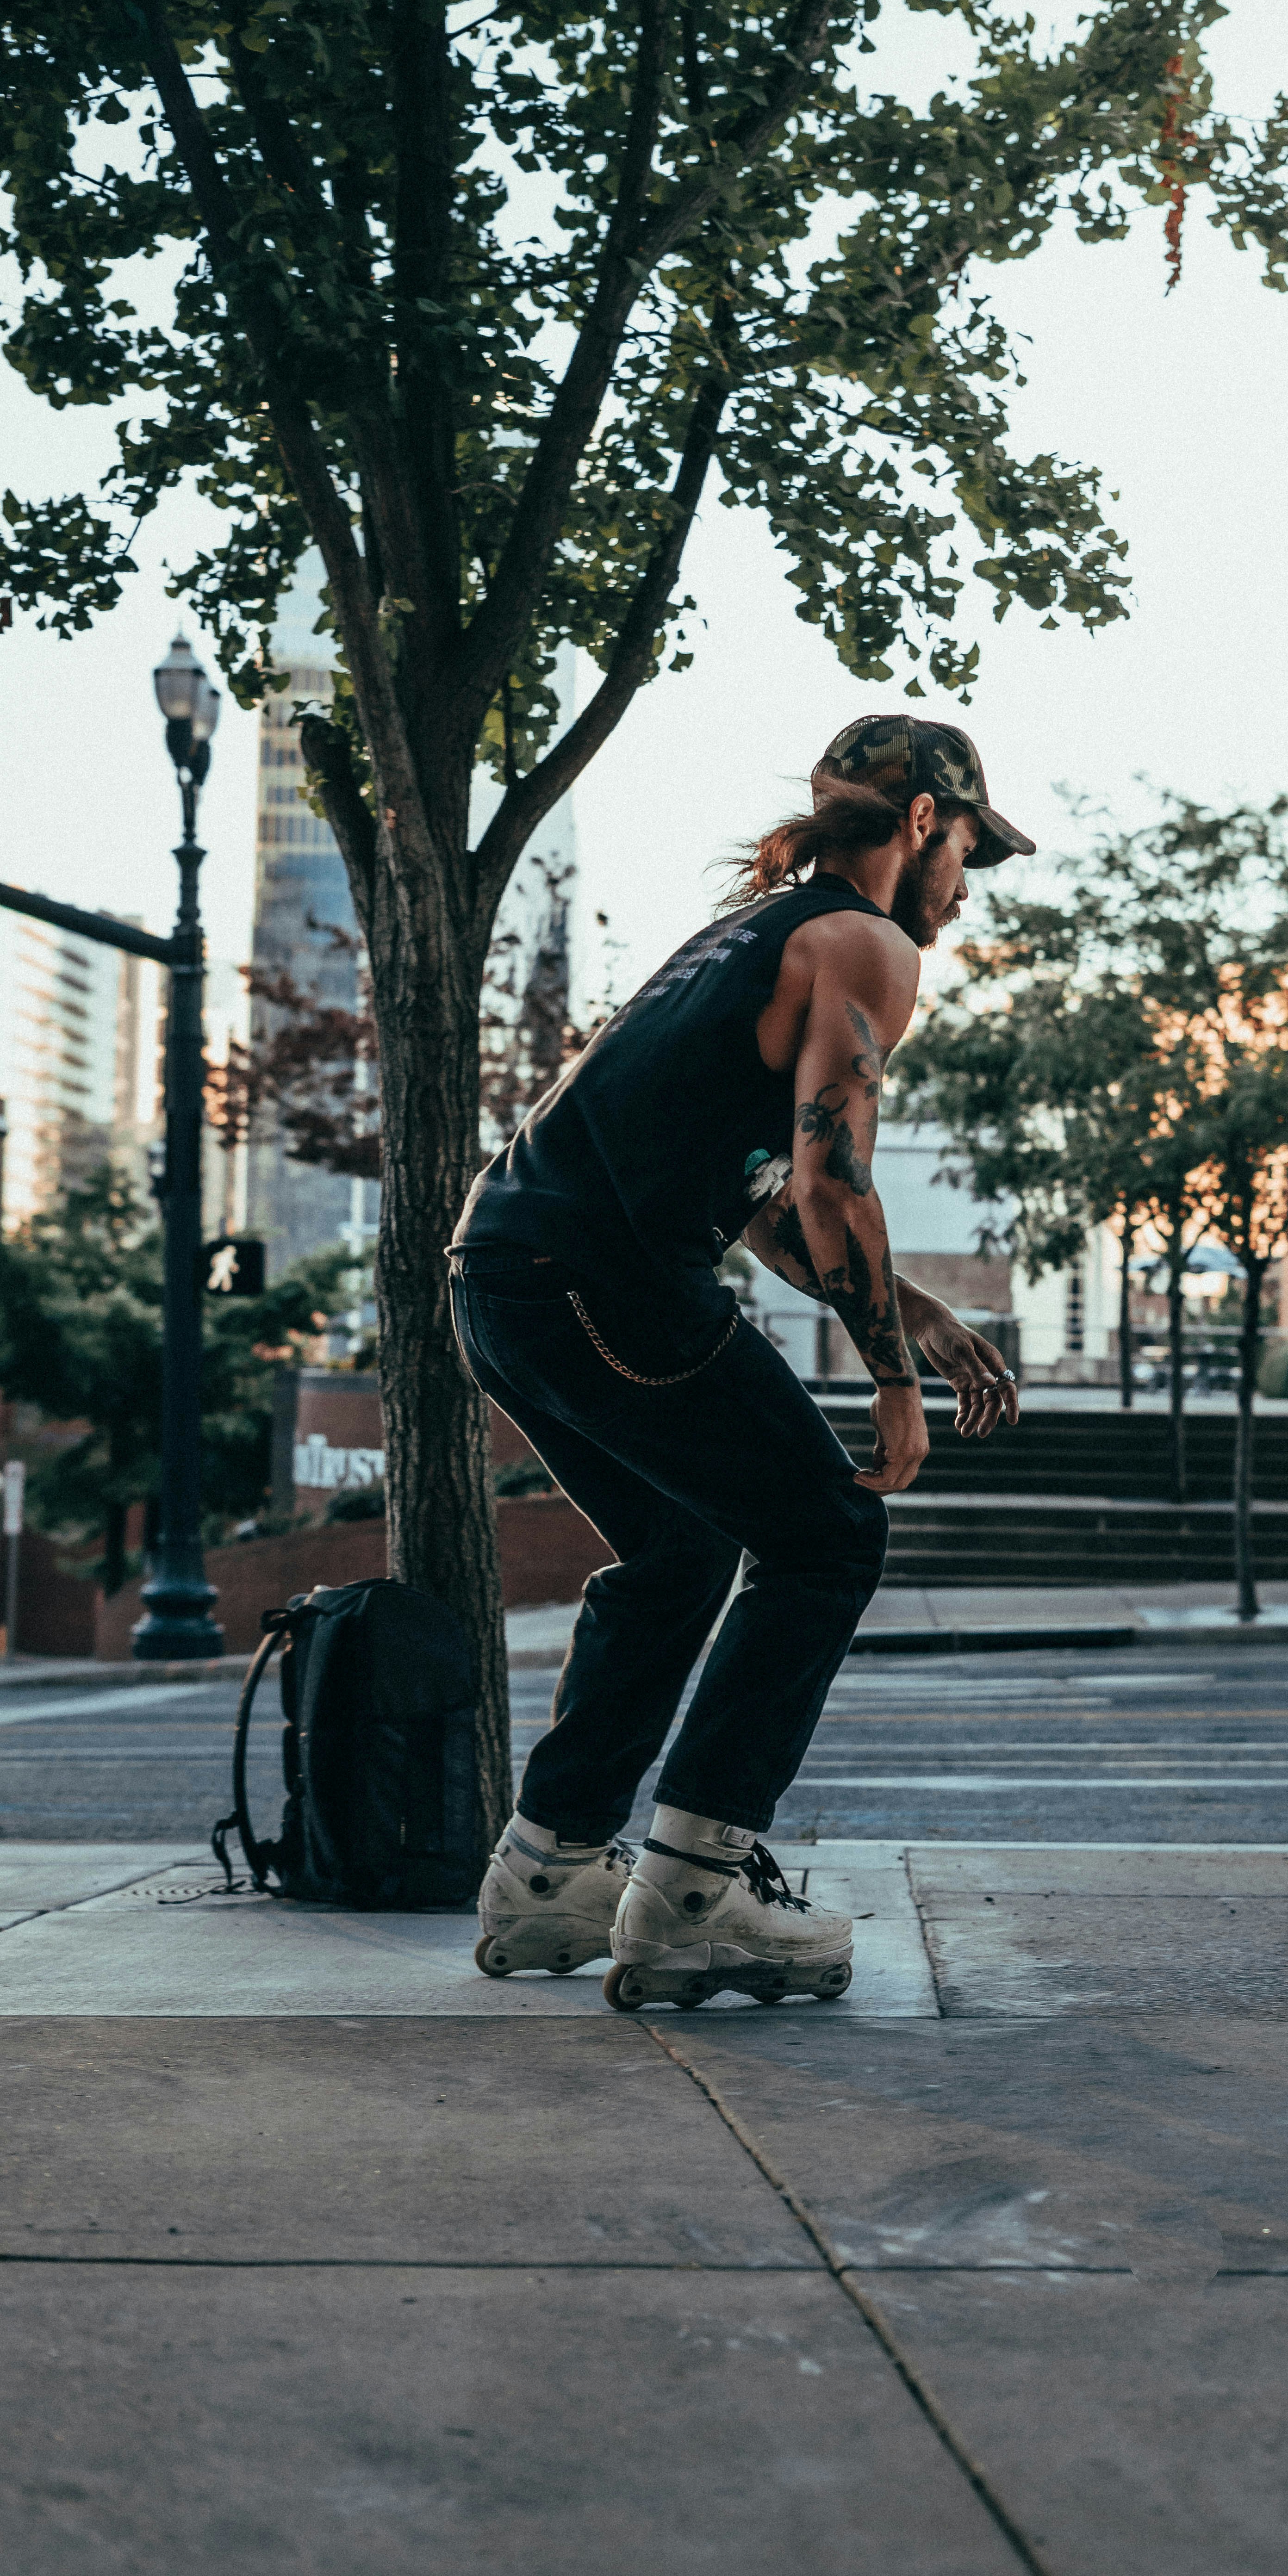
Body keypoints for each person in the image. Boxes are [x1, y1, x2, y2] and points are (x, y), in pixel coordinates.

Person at [451, 715, 1031, 2008]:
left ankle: (548, 1878)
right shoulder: (864, 945)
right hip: (611, 1286)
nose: (966, 888)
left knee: (679, 1551)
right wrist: (892, 1385)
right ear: (926, 824)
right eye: (970, 853)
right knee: (828, 1538)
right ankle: (701, 1890)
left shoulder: (749, 936)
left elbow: (759, 1196)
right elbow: (834, 1180)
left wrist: (919, 1312)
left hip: (500, 1281)